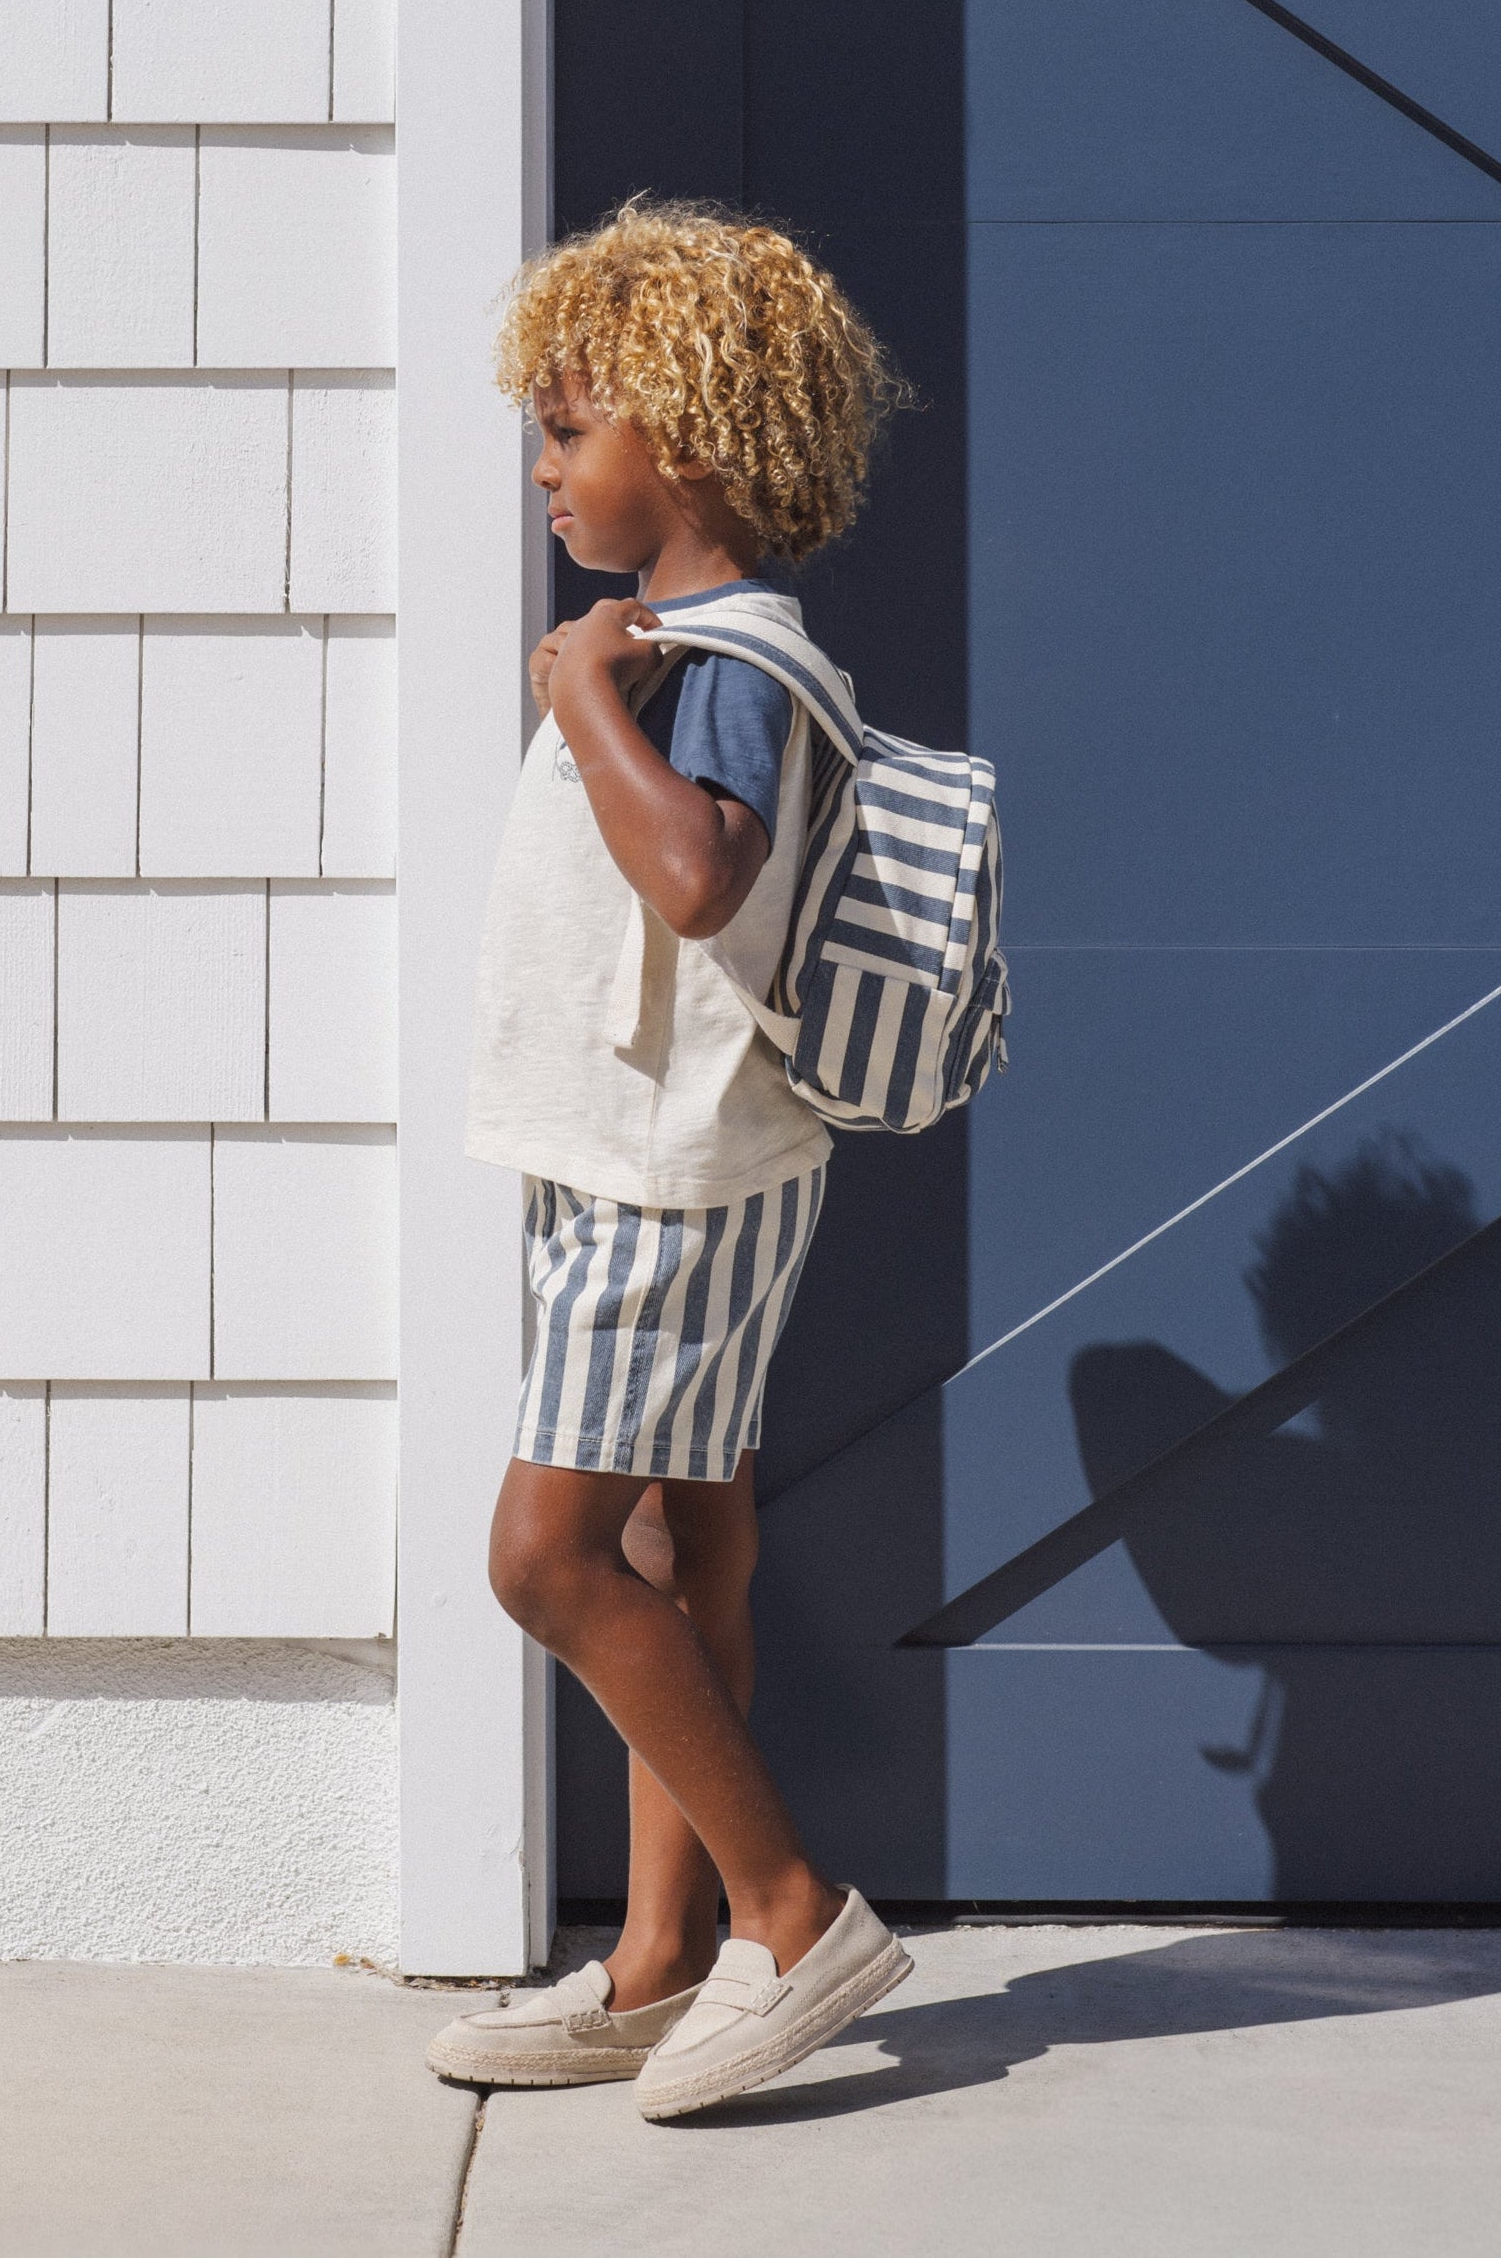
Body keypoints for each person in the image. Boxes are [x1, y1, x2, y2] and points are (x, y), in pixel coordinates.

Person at [427, 201, 913, 2121]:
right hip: (653, 1158)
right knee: (671, 1540)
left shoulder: (724, 658)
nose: (545, 469)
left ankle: (798, 1919)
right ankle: (655, 1961)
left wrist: (570, 693)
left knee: (546, 1557)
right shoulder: (695, 643)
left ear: (687, 437)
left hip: (665, 1182)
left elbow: (700, 877)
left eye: (571, 432)